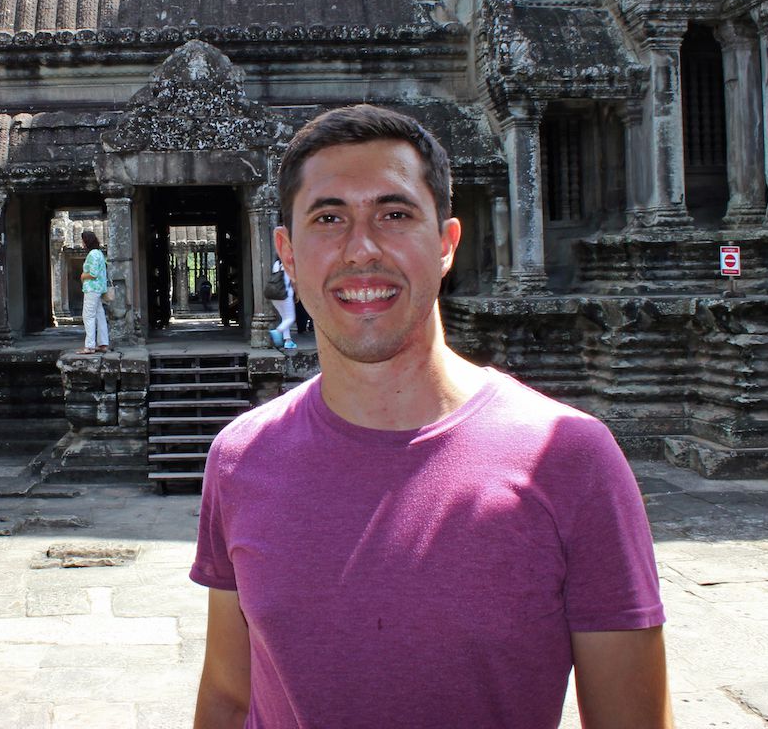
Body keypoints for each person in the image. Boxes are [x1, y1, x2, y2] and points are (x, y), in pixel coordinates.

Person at [192, 105, 670, 729]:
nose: (361, 249)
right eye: (329, 218)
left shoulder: (571, 458)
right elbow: (229, 700)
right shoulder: (239, 459)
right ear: (287, 251)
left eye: (394, 215)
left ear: (445, 243)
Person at [78, 230, 109, 354]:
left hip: (92, 289)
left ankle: (89, 346)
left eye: (83, 240)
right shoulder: (99, 253)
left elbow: (93, 273)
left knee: (88, 316)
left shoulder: (92, 254)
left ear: (87, 241)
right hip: (98, 289)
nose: (82, 243)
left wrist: (83, 276)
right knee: (99, 315)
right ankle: (103, 343)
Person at [267, 253, 296, 350]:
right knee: (290, 318)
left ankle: (288, 341)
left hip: (275, 296)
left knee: (285, 318)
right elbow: (292, 281)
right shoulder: (288, 265)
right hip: (285, 295)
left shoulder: (276, 265)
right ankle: (278, 331)